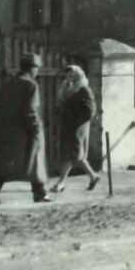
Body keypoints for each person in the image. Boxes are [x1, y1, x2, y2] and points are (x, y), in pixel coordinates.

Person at [0, 53, 50, 205]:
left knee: (5, 163)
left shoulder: (9, 83)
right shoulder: (31, 85)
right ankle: (39, 193)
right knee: (35, 159)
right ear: (33, 69)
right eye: (36, 68)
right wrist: (36, 128)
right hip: (23, 131)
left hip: (4, 130)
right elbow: (30, 111)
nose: (37, 71)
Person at [51, 65, 99, 193]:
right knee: (75, 155)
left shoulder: (84, 90)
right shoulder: (68, 88)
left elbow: (90, 110)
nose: (69, 77)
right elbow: (61, 103)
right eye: (68, 75)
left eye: (72, 75)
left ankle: (61, 183)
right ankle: (93, 176)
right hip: (69, 126)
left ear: (78, 76)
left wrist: (76, 120)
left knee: (72, 154)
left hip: (78, 127)